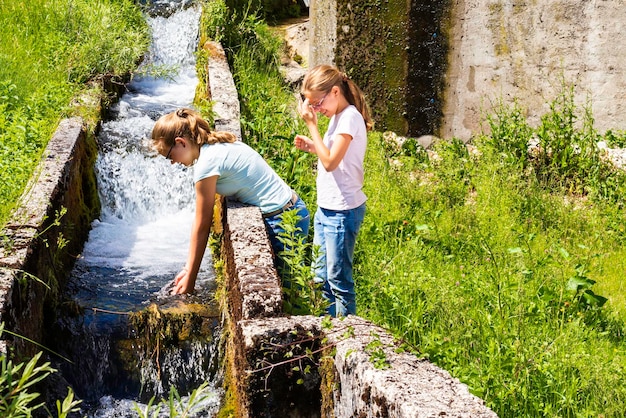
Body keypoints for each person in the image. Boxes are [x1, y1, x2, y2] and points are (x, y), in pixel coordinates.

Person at [152, 107, 310, 294]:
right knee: (294, 290)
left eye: (169, 156)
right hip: (293, 209)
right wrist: (187, 268)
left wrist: (190, 280)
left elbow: (202, 225)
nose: (172, 162)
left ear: (181, 142)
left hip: (281, 222)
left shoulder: (206, 165)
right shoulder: (218, 144)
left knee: (287, 295)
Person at [293, 64, 373, 317]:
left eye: (318, 103)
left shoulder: (349, 117)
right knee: (320, 277)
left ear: (335, 92)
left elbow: (330, 163)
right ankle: (329, 331)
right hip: (326, 208)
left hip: (343, 210)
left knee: (338, 280)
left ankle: (348, 335)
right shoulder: (338, 116)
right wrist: (313, 147)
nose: (316, 109)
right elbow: (334, 156)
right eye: (311, 105)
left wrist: (312, 128)